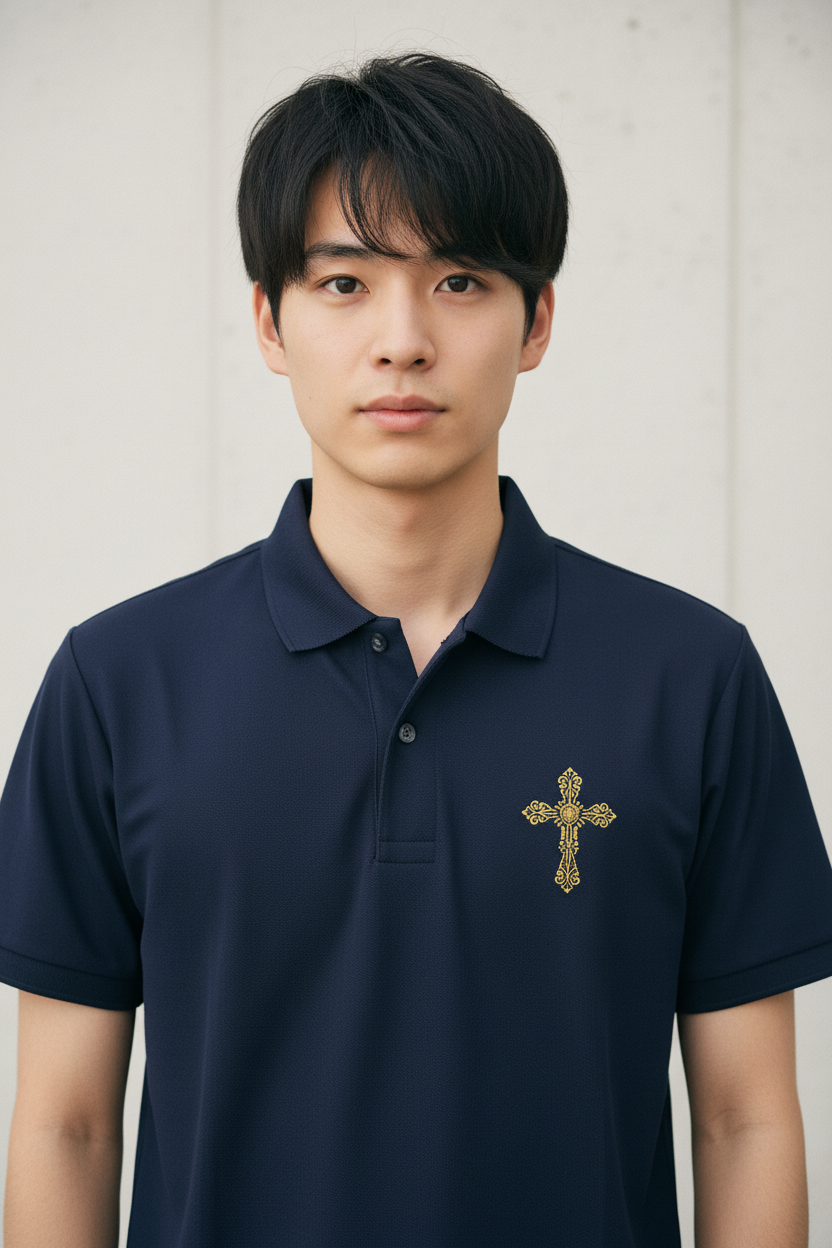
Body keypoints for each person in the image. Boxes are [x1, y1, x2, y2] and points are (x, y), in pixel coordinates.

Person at [1, 50, 831, 1248]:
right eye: (344, 283)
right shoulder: (119, 683)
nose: (401, 340)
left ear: (536, 319)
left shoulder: (691, 678)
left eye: (458, 280)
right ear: (268, 321)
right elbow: (64, 1126)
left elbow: (747, 1118)